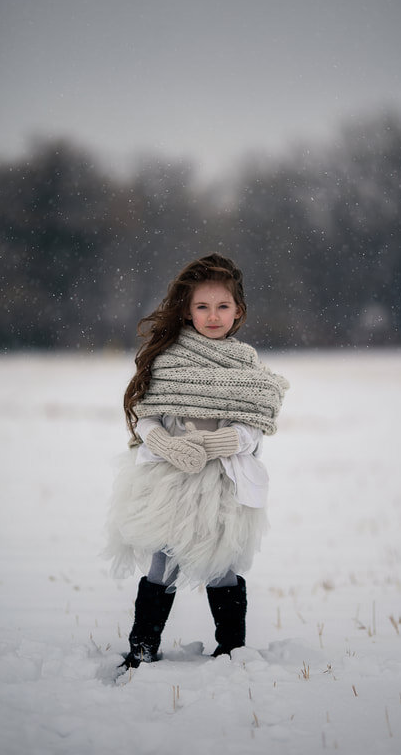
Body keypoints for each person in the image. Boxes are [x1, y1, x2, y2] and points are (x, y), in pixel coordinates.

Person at [104, 253, 288, 669]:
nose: (213, 316)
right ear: (186, 311)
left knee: (220, 561)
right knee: (163, 560)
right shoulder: (167, 360)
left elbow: (257, 423)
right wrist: (168, 446)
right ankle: (142, 648)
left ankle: (232, 649)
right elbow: (144, 418)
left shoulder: (247, 367)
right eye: (202, 306)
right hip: (171, 479)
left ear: (238, 311)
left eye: (223, 306)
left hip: (221, 480)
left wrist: (226, 440)